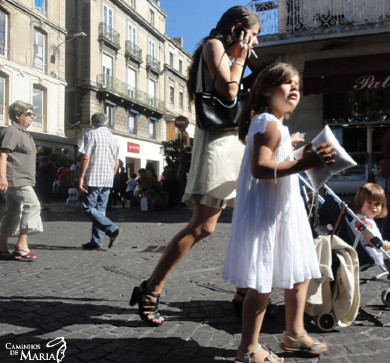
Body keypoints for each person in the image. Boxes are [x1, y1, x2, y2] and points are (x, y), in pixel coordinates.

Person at [129, 6, 260, 326]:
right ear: (240, 29)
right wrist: (241, 55)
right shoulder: (215, 47)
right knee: (203, 226)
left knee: (250, 219)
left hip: (236, 145)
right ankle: (151, 288)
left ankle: (245, 292)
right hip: (217, 145)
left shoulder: (227, 55)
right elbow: (228, 93)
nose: (255, 42)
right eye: (253, 35)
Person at [222, 62, 334, 362]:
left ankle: (294, 334)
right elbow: (261, 168)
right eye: (287, 82)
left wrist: (299, 152)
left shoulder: (273, 124)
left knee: (299, 271)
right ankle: (248, 348)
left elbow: (275, 157)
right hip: (269, 212)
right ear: (267, 90)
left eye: (297, 83)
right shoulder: (268, 123)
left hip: (283, 209)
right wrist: (304, 163)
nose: (295, 87)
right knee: (261, 282)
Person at [0, 100, 43, 261]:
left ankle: (2, 246)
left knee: (12, 212)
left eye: (33, 114)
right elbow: (2, 155)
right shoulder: (12, 131)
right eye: (29, 114)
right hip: (15, 179)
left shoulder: (25, 133)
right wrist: (2, 177)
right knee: (33, 205)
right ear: (18, 116)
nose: (33, 117)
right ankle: (21, 245)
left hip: (22, 178)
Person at [78, 112, 121, 250]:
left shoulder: (90, 135)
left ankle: (112, 228)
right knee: (100, 210)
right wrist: (111, 176)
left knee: (88, 207)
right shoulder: (113, 138)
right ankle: (97, 241)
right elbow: (117, 163)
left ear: (92, 122)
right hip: (107, 179)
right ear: (106, 122)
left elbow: (86, 157)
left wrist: (81, 176)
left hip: (93, 177)